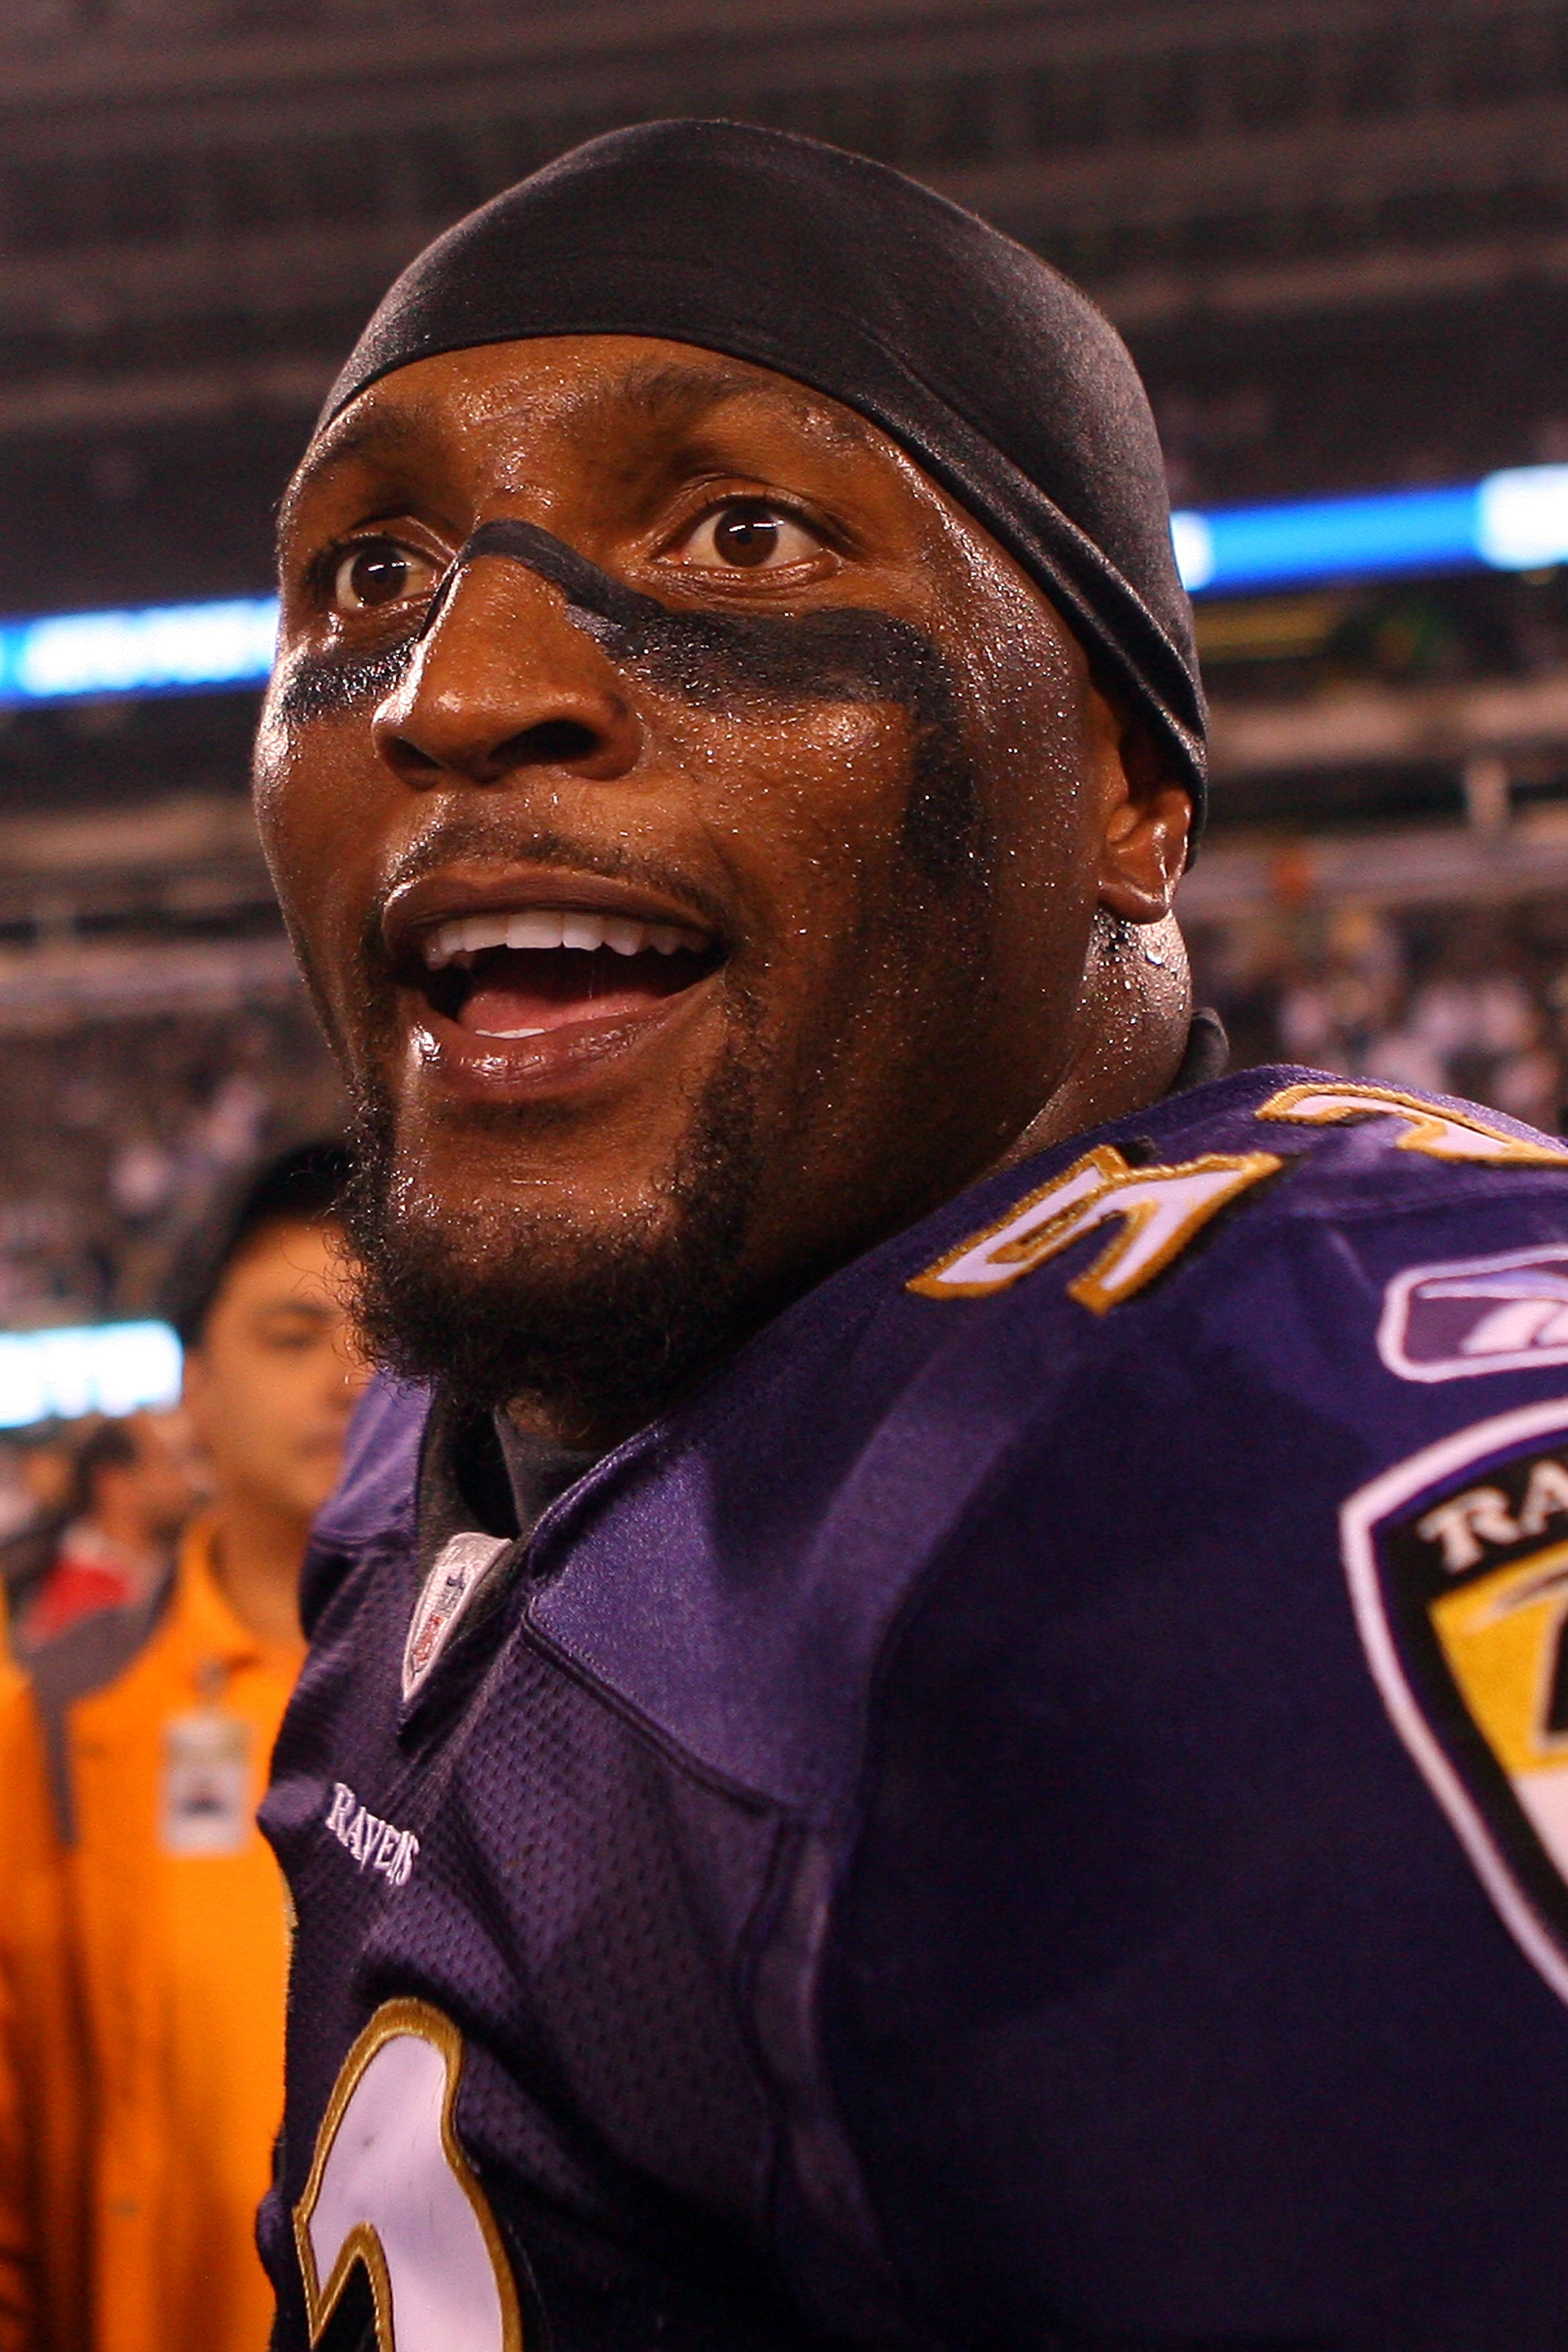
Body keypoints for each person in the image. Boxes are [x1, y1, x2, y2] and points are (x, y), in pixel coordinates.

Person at [254, 121, 1568, 2351]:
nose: (449, 690)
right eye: (372, 576)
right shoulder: (441, 1422)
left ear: (1125, 792)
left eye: (741, 534)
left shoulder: (1272, 1476)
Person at [0, 1142, 366, 2352]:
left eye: (390, 1335)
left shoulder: (520, 1697)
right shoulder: (61, 1717)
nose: (350, 1378)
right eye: (293, 1335)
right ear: (196, 1388)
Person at [13, 1412, 193, 1650]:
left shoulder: (159, 1564)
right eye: (168, 1464)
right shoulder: (85, 1599)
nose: (190, 1480)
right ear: (114, 1483)